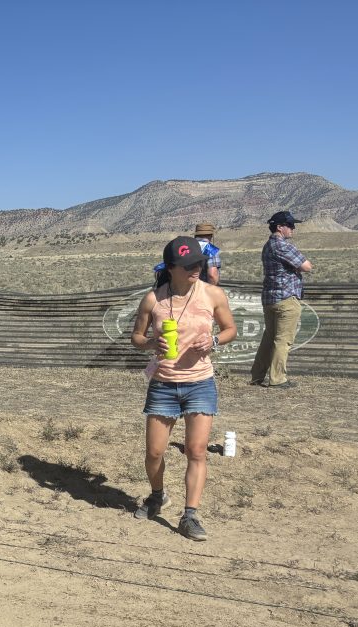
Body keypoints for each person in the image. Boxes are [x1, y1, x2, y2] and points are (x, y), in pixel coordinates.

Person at [130, 236, 237, 541]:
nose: (196, 269)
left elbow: (230, 329)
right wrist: (151, 342)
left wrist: (214, 340)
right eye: (189, 265)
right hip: (163, 383)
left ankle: (190, 515)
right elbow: (136, 338)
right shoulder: (154, 299)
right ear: (172, 268)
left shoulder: (213, 294)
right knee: (154, 452)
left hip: (200, 383)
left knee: (196, 451)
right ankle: (157, 495)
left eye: (199, 264)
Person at [249, 210, 311, 389]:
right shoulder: (283, 246)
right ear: (279, 227)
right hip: (286, 298)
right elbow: (307, 266)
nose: (292, 228)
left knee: (269, 338)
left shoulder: (268, 245)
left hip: (270, 298)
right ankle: (277, 378)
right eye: (290, 225)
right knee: (283, 339)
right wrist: (296, 269)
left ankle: (257, 376)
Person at [152, 222, 221, 284]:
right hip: (200, 289)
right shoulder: (211, 250)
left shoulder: (187, 246)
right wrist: (212, 291)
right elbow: (212, 275)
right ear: (211, 235)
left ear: (196, 235)